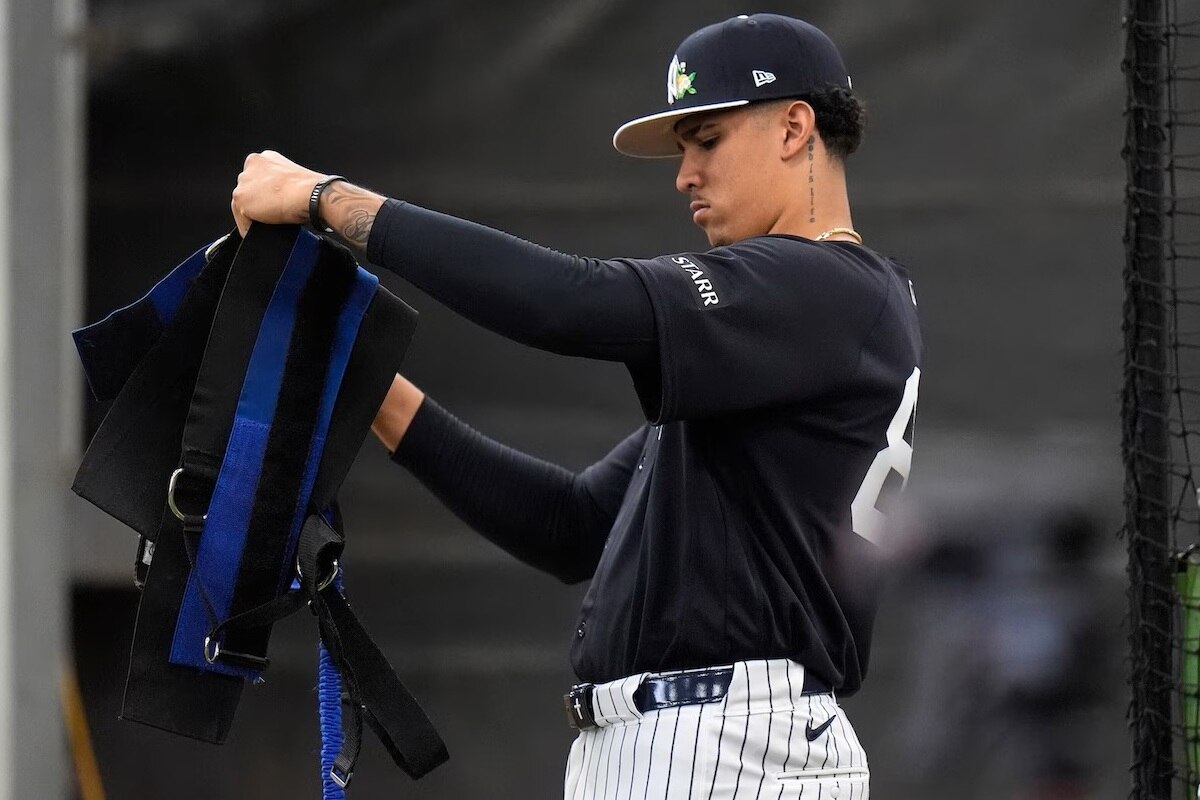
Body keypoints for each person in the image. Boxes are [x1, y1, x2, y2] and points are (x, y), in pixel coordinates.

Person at [231, 13, 921, 799]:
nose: (684, 174)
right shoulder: (793, 331)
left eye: (707, 138)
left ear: (795, 126)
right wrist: (366, 383)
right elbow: (570, 523)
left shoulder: (822, 286)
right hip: (694, 738)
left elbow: (571, 302)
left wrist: (325, 200)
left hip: (729, 742)